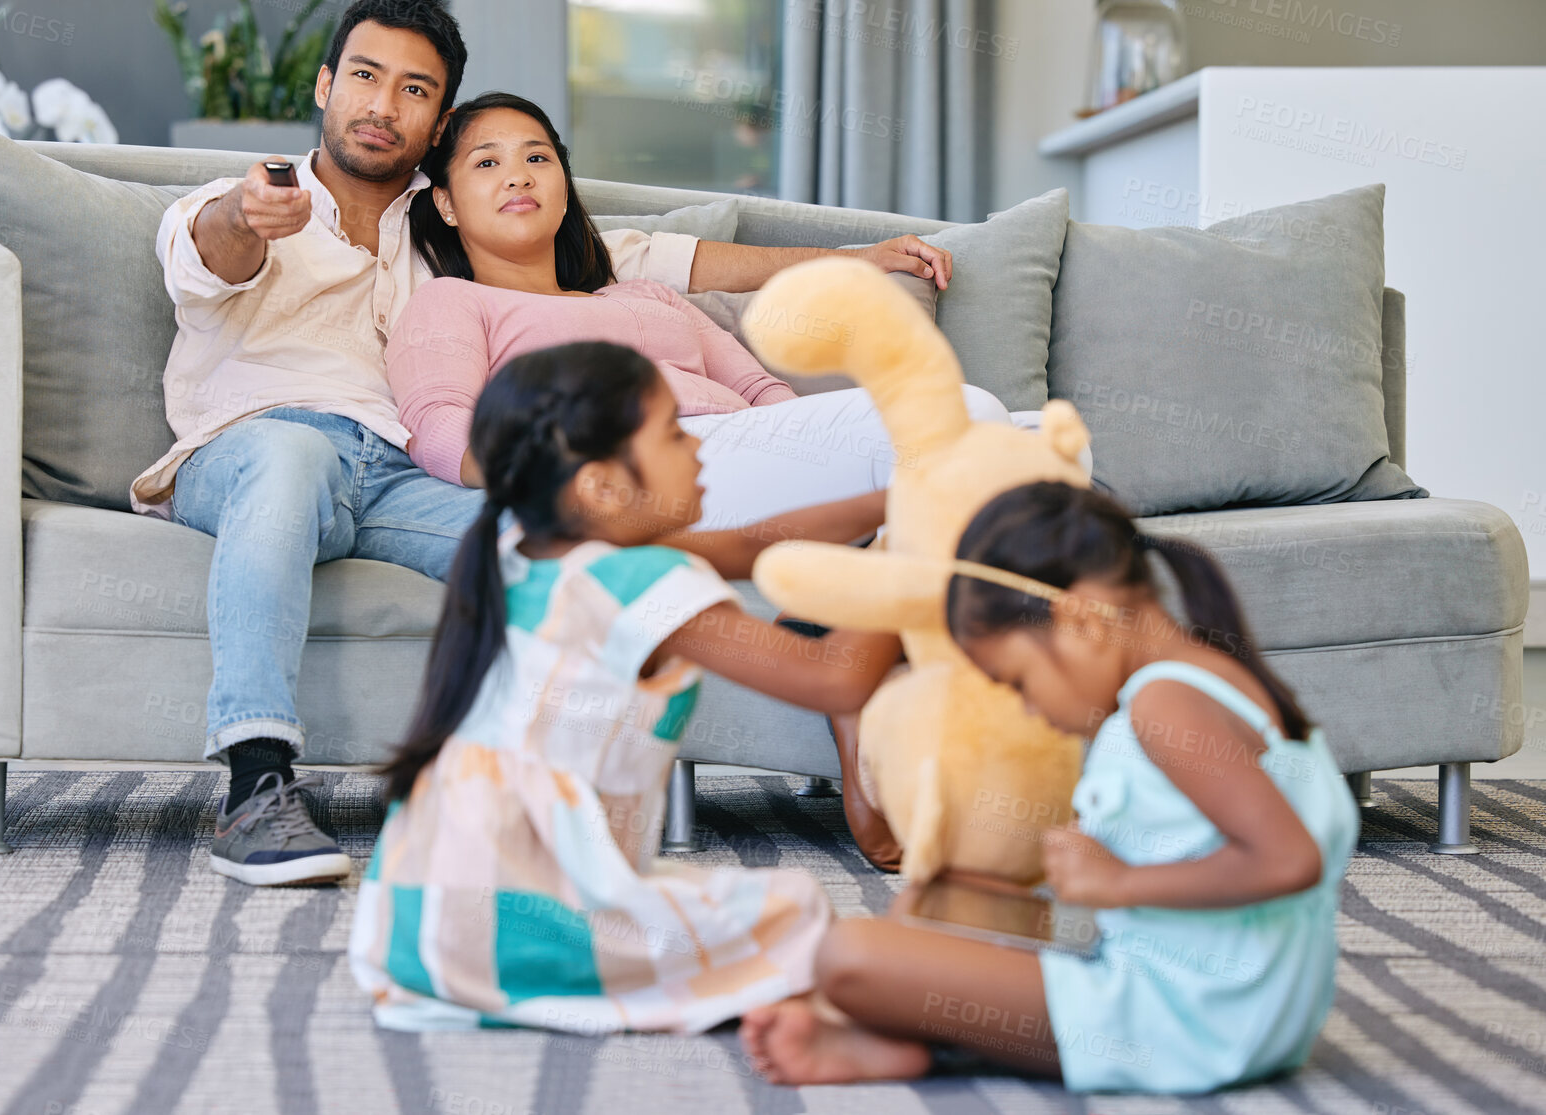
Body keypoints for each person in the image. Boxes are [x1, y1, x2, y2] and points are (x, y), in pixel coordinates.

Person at [135, 0, 956, 887]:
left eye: (414, 90)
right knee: (290, 462)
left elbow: (659, 260)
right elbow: (213, 249)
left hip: (406, 472)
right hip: (261, 444)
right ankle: (256, 786)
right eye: (365, 76)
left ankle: (583, 794)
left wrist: (847, 258)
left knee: (578, 550)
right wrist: (249, 217)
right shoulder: (242, 202)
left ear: (436, 118)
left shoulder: (448, 221)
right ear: (326, 86)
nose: (383, 104)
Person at [348, 341, 903, 1032]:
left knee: (720, 902)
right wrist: (906, 555)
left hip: (414, 928)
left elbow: (756, 541)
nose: (699, 449)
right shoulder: (636, 581)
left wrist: (896, 498)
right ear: (601, 487)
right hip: (517, 924)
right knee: (800, 909)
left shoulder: (531, 553)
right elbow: (834, 678)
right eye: (674, 433)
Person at [740, 482, 1360, 1094]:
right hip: (1218, 989)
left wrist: (1119, 882)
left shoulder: (1166, 705)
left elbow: (1288, 859)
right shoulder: (1206, 678)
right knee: (935, 903)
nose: (1031, 710)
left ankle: (920, 1048)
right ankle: (916, 1036)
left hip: (1191, 1019)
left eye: (1018, 680)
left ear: (1080, 618)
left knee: (850, 955)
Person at [390, 91, 1021, 530]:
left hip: (745, 450)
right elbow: (437, 425)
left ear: (563, 188)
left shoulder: (644, 294)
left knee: (1034, 439)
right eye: (487, 163)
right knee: (976, 417)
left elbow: (757, 387)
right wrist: (558, 475)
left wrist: (817, 438)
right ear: (445, 205)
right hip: (634, 470)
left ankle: (870, 563)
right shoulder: (450, 301)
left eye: (537, 158)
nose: (518, 176)